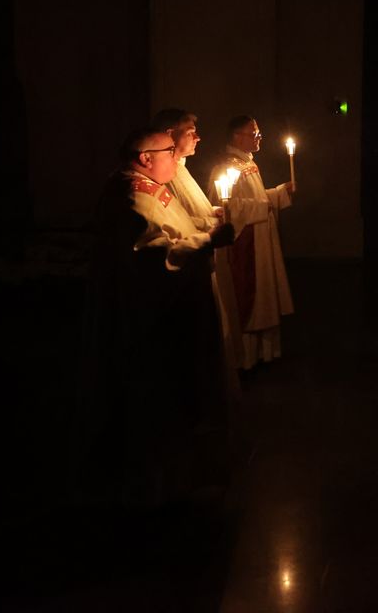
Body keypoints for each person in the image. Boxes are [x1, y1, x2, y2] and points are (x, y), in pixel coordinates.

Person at [79, 127, 235, 506]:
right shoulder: (132, 196)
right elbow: (153, 257)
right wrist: (208, 241)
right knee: (156, 400)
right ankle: (156, 491)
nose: (176, 157)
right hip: (151, 322)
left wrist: (202, 226)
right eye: (169, 151)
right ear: (145, 158)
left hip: (168, 312)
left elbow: (173, 228)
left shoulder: (147, 186)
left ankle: (173, 480)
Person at [152, 108, 245, 384]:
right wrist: (208, 223)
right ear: (170, 135)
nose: (198, 138)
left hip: (205, 249)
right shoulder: (165, 172)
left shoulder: (180, 168)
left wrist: (210, 212)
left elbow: (186, 209)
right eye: (190, 132)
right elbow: (172, 219)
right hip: (193, 259)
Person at [210, 115, 294, 369]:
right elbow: (226, 207)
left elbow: (256, 199)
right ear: (237, 136)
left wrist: (278, 193)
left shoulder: (247, 163)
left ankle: (263, 353)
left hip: (261, 238)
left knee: (265, 295)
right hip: (247, 243)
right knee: (250, 296)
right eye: (253, 133)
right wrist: (264, 205)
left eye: (258, 133)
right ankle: (244, 357)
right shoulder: (226, 168)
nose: (259, 137)